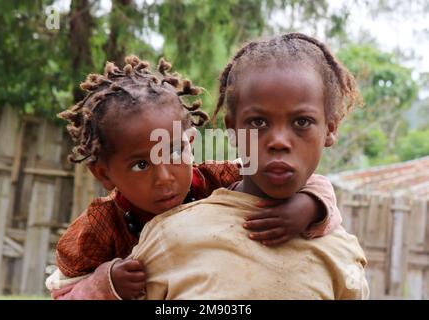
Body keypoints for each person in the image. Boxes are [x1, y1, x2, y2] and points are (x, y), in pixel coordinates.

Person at [46, 54, 342, 300]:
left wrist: (309, 204)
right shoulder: (99, 228)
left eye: (173, 153)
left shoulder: (215, 180)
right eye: (140, 165)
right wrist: (105, 284)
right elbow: (62, 294)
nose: (164, 178)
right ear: (104, 174)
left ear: (190, 141)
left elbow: (291, 175)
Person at [128, 33, 369, 299]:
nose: (279, 141)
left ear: (330, 129)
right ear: (232, 130)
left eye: (301, 122)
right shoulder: (171, 238)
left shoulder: (341, 255)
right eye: (258, 122)